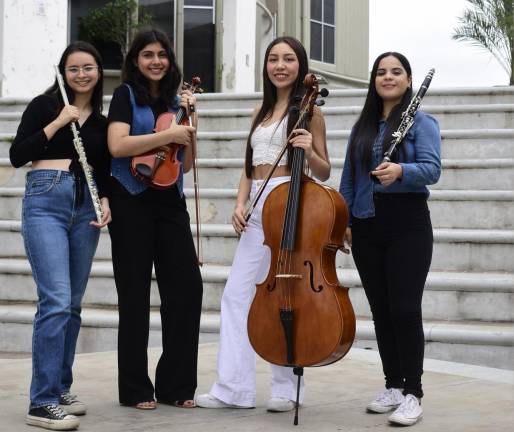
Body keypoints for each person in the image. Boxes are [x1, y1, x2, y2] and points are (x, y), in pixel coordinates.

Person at [195, 36, 330, 413]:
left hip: (292, 202)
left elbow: (324, 169)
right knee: (237, 295)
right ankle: (233, 389)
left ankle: (287, 389)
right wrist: (240, 203)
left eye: (288, 59)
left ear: (300, 66)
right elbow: (249, 167)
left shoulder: (311, 112)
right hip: (257, 205)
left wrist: (307, 148)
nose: (280, 65)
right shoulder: (260, 110)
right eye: (273, 59)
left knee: (287, 296)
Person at [10, 41, 111, 430]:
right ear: (63, 72)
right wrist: (56, 123)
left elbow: (101, 171)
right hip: (46, 197)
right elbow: (17, 155)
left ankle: (60, 387)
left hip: (85, 206)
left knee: (72, 305)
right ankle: (42, 402)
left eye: (88, 68)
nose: (81, 75)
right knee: (55, 300)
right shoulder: (44, 106)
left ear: (98, 72)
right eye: (73, 69)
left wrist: (105, 200)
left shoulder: (101, 123)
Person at [339, 52, 441, 426]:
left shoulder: (422, 122)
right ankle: (393, 386)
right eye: (381, 72)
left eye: (396, 72)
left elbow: (432, 170)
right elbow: (349, 178)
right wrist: (344, 219)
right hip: (367, 225)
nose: (388, 77)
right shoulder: (361, 127)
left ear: (409, 80)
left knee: (404, 309)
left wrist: (401, 170)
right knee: (381, 311)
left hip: (408, 224)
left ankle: (413, 392)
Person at [107, 28, 203, 410]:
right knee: (134, 295)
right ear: (136, 60)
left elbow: (189, 165)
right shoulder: (125, 95)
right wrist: (165, 135)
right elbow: (118, 145)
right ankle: (135, 388)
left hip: (170, 201)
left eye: (162, 54)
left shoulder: (177, 101)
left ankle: (176, 385)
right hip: (130, 199)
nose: (156, 61)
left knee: (187, 289)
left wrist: (189, 126)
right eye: (148, 54)